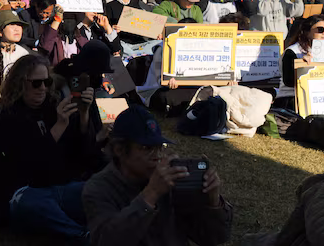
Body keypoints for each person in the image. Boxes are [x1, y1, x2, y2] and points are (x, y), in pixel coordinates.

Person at [83, 105, 233, 246]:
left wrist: (213, 203)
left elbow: (213, 237)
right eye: (147, 148)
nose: (157, 156)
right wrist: (150, 195)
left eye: (159, 147)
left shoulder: (172, 183)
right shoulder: (98, 189)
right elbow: (107, 241)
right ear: (119, 150)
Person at [0, 54, 102, 239]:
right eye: (36, 83)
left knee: (97, 188)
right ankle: (83, 237)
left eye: (47, 82)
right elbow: (29, 163)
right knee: (26, 203)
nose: (42, 88)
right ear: (20, 83)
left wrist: (83, 114)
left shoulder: (51, 106)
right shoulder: (8, 116)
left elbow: (81, 152)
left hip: (59, 186)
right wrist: (59, 126)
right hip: (26, 190)